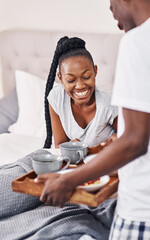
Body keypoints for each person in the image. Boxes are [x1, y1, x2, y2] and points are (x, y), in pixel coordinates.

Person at [36, 0, 150, 239]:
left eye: (111, 3)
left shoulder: (137, 42)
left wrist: (69, 181)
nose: (111, 11)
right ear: (60, 79)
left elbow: (133, 140)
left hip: (141, 208)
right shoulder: (55, 98)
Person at [44, 36, 117, 149]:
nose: (80, 86)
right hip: (75, 163)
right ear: (60, 78)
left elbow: (129, 138)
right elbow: (59, 145)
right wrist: (72, 148)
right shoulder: (56, 98)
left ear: (95, 71)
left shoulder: (109, 102)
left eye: (86, 77)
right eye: (71, 80)